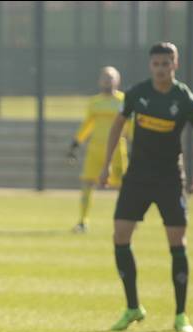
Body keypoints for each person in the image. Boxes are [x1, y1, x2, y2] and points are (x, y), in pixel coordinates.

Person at [100, 42, 193, 332]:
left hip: (169, 180)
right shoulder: (137, 94)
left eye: (166, 63)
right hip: (137, 178)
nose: (161, 69)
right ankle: (132, 307)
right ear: (150, 66)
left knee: (177, 243)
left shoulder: (184, 98)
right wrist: (106, 164)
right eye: (156, 64)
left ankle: (181, 315)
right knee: (120, 235)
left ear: (175, 65)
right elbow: (117, 126)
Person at [67, 66, 132, 233]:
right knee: (87, 183)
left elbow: (130, 125)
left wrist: (136, 143)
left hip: (117, 150)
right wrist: (76, 142)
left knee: (124, 186)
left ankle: (128, 219)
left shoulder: (124, 100)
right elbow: (88, 124)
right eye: (105, 77)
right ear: (99, 81)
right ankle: (83, 221)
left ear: (117, 80)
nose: (107, 80)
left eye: (111, 77)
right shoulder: (95, 102)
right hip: (95, 149)